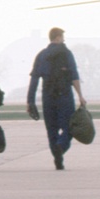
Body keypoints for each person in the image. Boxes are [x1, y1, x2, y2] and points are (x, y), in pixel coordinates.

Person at [27, 27, 86, 170]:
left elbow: (34, 80)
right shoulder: (67, 54)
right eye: (63, 37)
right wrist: (80, 96)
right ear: (58, 38)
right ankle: (61, 147)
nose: (64, 40)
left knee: (51, 130)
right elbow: (74, 76)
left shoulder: (41, 55)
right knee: (68, 128)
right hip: (64, 96)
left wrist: (30, 101)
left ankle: (57, 157)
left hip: (48, 97)